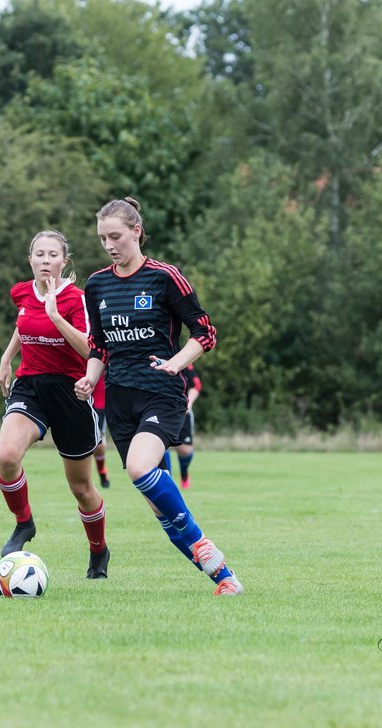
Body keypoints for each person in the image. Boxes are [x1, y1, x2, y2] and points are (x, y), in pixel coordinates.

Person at [74, 198, 243, 596]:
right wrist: (89, 377)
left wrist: (176, 364)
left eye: (115, 236)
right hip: (118, 402)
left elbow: (205, 333)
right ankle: (225, 579)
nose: (109, 245)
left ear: (136, 231)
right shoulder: (96, 285)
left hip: (161, 395)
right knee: (162, 510)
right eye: (102, 239)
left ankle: (203, 543)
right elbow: (99, 345)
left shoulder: (165, 277)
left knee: (138, 468)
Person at [0, 230, 110, 578]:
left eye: (52, 255)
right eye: (39, 255)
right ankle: (24, 523)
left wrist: (57, 315)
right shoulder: (21, 292)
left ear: (64, 261)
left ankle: (98, 551)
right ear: (30, 259)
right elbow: (24, 324)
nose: (45, 261)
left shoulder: (77, 299)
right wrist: (6, 358)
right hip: (30, 387)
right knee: (6, 457)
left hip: (71, 393)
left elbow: (90, 348)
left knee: (81, 488)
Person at [160, 366, 200, 488]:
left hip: (182, 410)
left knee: (185, 450)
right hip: (160, 409)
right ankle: (168, 480)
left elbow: (196, 385)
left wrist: (189, 403)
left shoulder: (182, 360)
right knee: (160, 446)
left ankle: (184, 472)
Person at [91, 381, 110, 488]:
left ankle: (102, 471)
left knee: (98, 443)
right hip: (79, 399)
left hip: (99, 402)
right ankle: (85, 480)